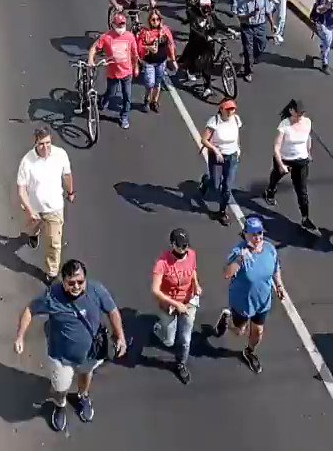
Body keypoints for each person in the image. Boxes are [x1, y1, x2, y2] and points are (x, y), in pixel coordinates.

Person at [14, 259, 127, 432]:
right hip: (61, 357)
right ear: (63, 281)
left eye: (80, 282)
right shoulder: (52, 296)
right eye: (71, 283)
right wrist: (20, 336)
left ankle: (83, 396)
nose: (76, 287)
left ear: (86, 280)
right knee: (61, 387)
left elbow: (112, 311)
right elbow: (30, 309)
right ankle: (60, 405)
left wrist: (120, 336)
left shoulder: (96, 290)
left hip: (90, 354)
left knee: (86, 375)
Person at [215, 216, 285, 375]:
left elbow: (276, 268)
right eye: (253, 234)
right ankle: (227, 318)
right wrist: (240, 258)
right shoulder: (239, 251)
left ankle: (249, 352)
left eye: (259, 233)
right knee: (239, 331)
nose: (257, 237)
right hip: (242, 301)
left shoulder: (270, 249)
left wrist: (279, 285)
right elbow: (227, 274)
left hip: (262, 301)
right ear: (245, 234)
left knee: (258, 331)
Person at [16, 127, 74, 284]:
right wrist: (29, 210)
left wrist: (70, 192)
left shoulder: (60, 154)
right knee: (33, 228)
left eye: (48, 143)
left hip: (54, 209)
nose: (46, 147)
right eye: (42, 144)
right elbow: (21, 190)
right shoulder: (27, 162)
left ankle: (52, 272)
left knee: (55, 243)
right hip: (34, 208)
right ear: (35, 143)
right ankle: (34, 235)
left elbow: (67, 175)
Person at [152, 228, 202, 385]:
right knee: (168, 341)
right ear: (172, 244)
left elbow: (193, 270)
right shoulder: (163, 263)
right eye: (180, 245)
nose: (183, 249)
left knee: (185, 339)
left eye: (185, 245)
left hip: (188, 302)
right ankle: (158, 328)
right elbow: (155, 289)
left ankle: (180, 364)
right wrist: (176, 304)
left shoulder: (192, 254)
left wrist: (196, 284)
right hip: (170, 304)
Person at [263, 100, 319, 234]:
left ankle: (305, 218)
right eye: (299, 113)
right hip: (285, 158)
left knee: (302, 191)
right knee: (276, 175)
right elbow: (276, 147)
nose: (301, 116)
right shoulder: (284, 125)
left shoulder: (307, 122)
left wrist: (308, 153)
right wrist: (281, 164)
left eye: (303, 113)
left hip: (301, 160)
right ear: (292, 111)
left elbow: (307, 138)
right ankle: (270, 190)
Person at [88, 13, 139, 129]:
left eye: (123, 26)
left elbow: (135, 54)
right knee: (111, 92)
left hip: (127, 73)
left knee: (127, 96)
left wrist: (136, 67)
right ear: (113, 25)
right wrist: (91, 59)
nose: (121, 29)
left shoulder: (130, 37)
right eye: (119, 26)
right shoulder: (106, 37)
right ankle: (103, 101)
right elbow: (94, 48)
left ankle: (124, 116)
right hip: (113, 74)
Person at [180, 0, 234, 98]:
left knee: (206, 65)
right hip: (197, 42)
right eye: (204, 9)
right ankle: (190, 70)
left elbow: (218, 23)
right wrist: (206, 37)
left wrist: (230, 30)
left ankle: (208, 87)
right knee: (194, 62)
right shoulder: (193, 15)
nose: (206, 12)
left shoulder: (210, 14)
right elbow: (195, 30)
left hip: (209, 43)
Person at [200, 99, 242, 226]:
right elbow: (204, 140)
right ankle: (206, 181)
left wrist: (238, 147)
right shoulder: (214, 121)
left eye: (232, 109)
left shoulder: (236, 119)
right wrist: (216, 151)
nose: (231, 112)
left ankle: (222, 212)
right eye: (228, 109)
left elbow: (237, 135)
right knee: (215, 185)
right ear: (222, 109)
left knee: (227, 187)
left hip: (232, 157)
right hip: (217, 157)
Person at [137, 9, 177, 112]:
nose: (155, 22)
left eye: (157, 19)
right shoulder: (145, 32)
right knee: (150, 83)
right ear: (149, 20)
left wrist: (173, 59)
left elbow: (171, 44)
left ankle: (154, 101)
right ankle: (147, 100)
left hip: (161, 61)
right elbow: (139, 46)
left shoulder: (165, 30)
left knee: (157, 82)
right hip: (149, 62)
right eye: (153, 19)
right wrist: (148, 48)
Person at [237, 0, 276, 82]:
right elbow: (240, 17)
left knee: (262, 43)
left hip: (260, 25)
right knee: (248, 49)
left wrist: (272, 24)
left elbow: (268, 11)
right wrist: (250, 14)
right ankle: (248, 71)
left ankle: (253, 57)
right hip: (247, 26)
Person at [310, 0, 333, 73]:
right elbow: (318, 9)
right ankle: (325, 64)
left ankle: (323, 51)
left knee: (329, 43)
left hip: (331, 24)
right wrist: (328, 6)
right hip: (324, 24)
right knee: (327, 43)